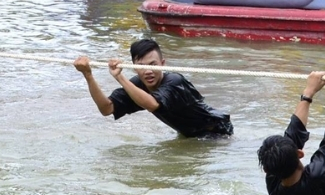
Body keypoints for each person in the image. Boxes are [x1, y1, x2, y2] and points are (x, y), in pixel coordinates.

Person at [73, 38, 232, 138]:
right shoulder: (136, 85)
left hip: (217, 132)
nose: (148, 71)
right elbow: (106, 109)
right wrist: (88, 75)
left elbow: (152, 104)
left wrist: (119, 77)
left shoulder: (174, 81)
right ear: (134, 67)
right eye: (141, 66)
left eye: (153, 65)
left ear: (163, 64)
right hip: (189, 135)